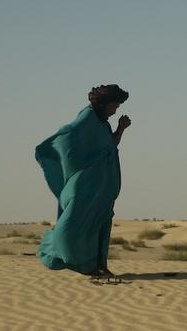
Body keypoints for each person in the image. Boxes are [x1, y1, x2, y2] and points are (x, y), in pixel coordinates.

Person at [36, 84, 131, 276]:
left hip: (101, 186)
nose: (115, 110)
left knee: (101, 222)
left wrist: (120, 129)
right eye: (114, 105)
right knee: (71, 226)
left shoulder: (103, 123)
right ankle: (52, 250)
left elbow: (109, 145)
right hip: (85, 186)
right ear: (103, 104)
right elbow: (67, 135)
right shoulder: (87, 118)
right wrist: (80, 164)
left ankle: (99, 266)